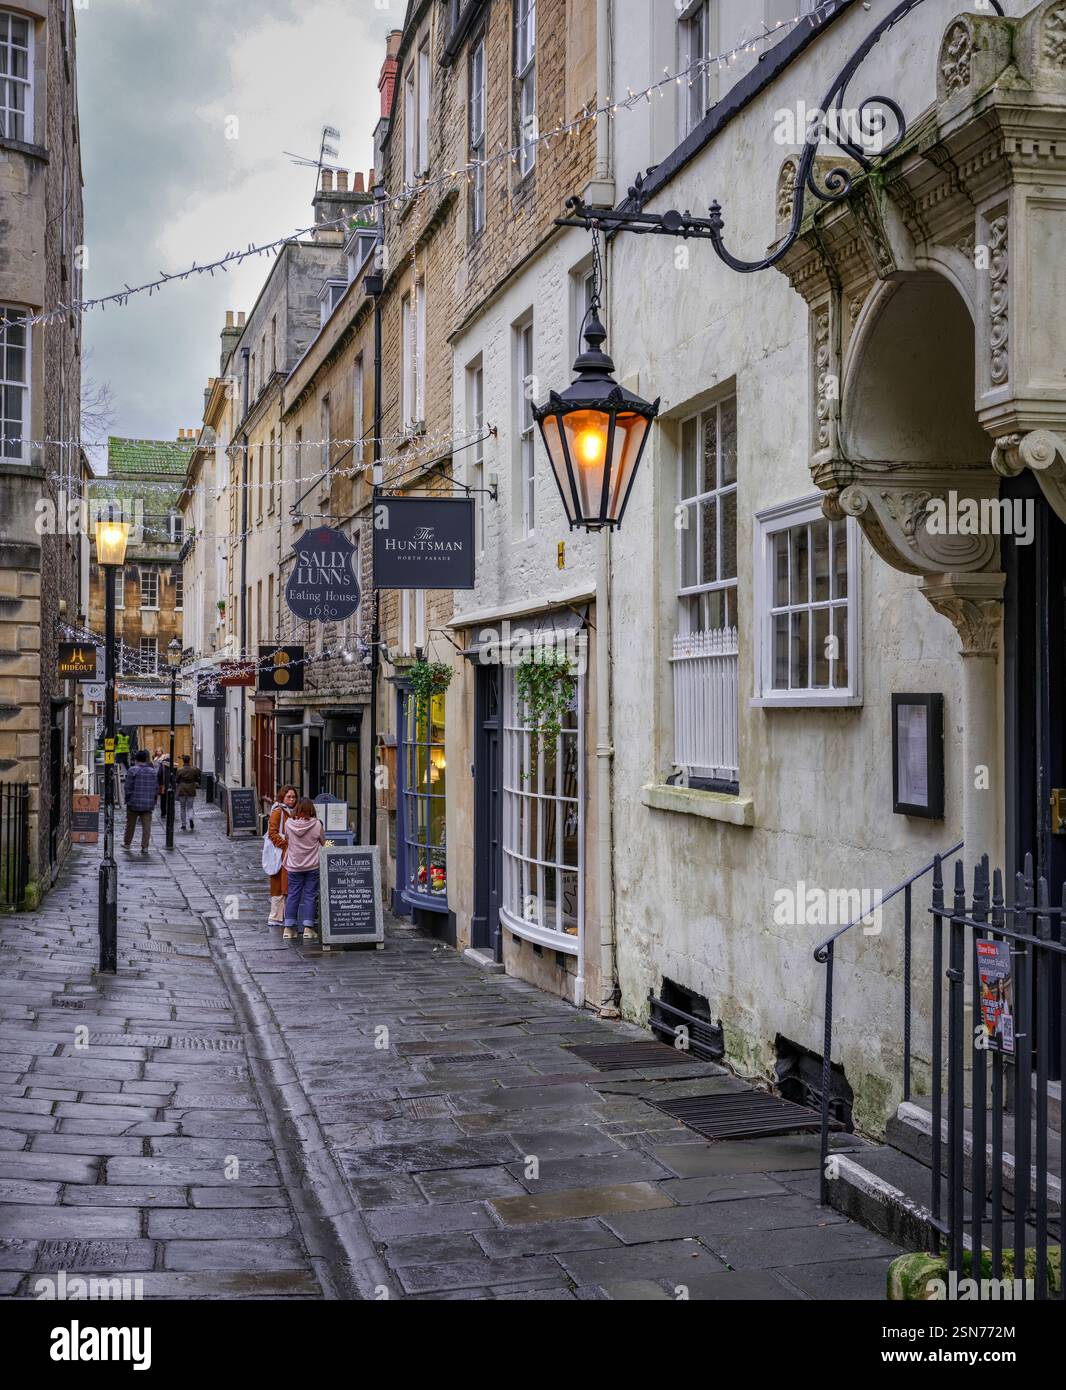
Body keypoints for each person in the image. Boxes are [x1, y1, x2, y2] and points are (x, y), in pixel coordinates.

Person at [281, 797, 325, 941]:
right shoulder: (317, 825)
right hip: (312, 866)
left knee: (293, 895)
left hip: (294, 866)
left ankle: (288, 929)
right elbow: (324, 842)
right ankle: (308, 928)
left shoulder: (288, 824)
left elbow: (287, 839)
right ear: (311, 809)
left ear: (297, 809)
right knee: (310, 896)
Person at [266, 785, 297, 926]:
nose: (291, 799)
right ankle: (275, 916)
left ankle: (284, 915)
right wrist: (285, 844)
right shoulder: (278, 811)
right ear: (282, 797)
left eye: (293, 797)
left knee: (287, 883)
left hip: (288, 853)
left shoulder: (292, 811)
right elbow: (272, 833)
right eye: (288, 797)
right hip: (280, 852)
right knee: (278, 882)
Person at [123, 749, 159, 853]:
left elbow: (128, 787)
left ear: (136, 759)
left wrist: (128, 800)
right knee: (146, 826)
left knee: (130, 824)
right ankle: (145, 846)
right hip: (148, 803)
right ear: (146, 759)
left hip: (134, 802)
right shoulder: (152, 772)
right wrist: (153, 800)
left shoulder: (132, 770)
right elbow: (155, 788)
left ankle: (127, 843)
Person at [175, 755, 201, 831]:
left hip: (182, 789)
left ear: (183, 761)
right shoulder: (193, 770)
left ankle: (183, 824)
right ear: (189, 760)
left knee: (182, 807)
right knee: (190, 806)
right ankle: (190, 818)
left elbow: (177, 780)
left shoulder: (180, 770)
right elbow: (196, 779)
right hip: (191, 789)